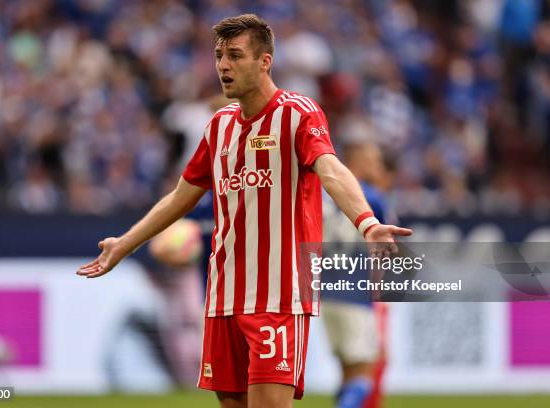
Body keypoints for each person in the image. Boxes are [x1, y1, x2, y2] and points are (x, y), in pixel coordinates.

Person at [76, 14, 412, 408]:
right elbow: (180, 197)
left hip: (277, 298)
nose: (223, 65)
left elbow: (332, 168)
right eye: (219, 55)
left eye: (235, 55)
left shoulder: (297, 114)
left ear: (264, 61)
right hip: (222, 299)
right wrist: (125, 243)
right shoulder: (218, 126)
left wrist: (367, 222)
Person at [321, 142, 396, 408]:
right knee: (365, 372)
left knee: (347, 373)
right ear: (358, 161)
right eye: (373, 160)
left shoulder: (323, 194)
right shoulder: (372, 197)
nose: (377, 167)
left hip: (324, 294)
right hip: (355, 294)